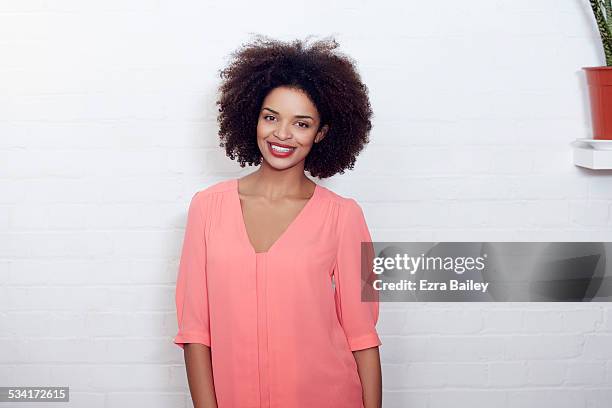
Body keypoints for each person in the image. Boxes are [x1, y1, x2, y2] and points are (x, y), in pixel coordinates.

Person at [173, 35, 382, 408]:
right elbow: (195, 331)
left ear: (321, 133)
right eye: (271, 117)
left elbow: (363, 335)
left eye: (301, 123)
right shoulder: (206, 208)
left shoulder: (346, 216)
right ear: (253, 117)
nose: (282, 134)